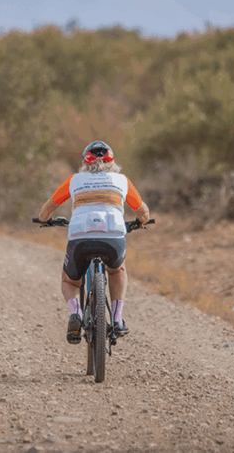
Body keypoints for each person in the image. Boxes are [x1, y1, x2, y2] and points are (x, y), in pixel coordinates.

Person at [37, 141, 151, 343]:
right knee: (117, 270)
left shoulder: (74, 180)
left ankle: (77, 314)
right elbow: (142, 212)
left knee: (69, 280)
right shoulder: (121, 180)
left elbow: (46, 210)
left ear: (85, 162)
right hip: (113, 236)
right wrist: (141, 222)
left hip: (80, 237)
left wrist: (45, 221)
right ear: (112, 161)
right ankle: (117, 320)